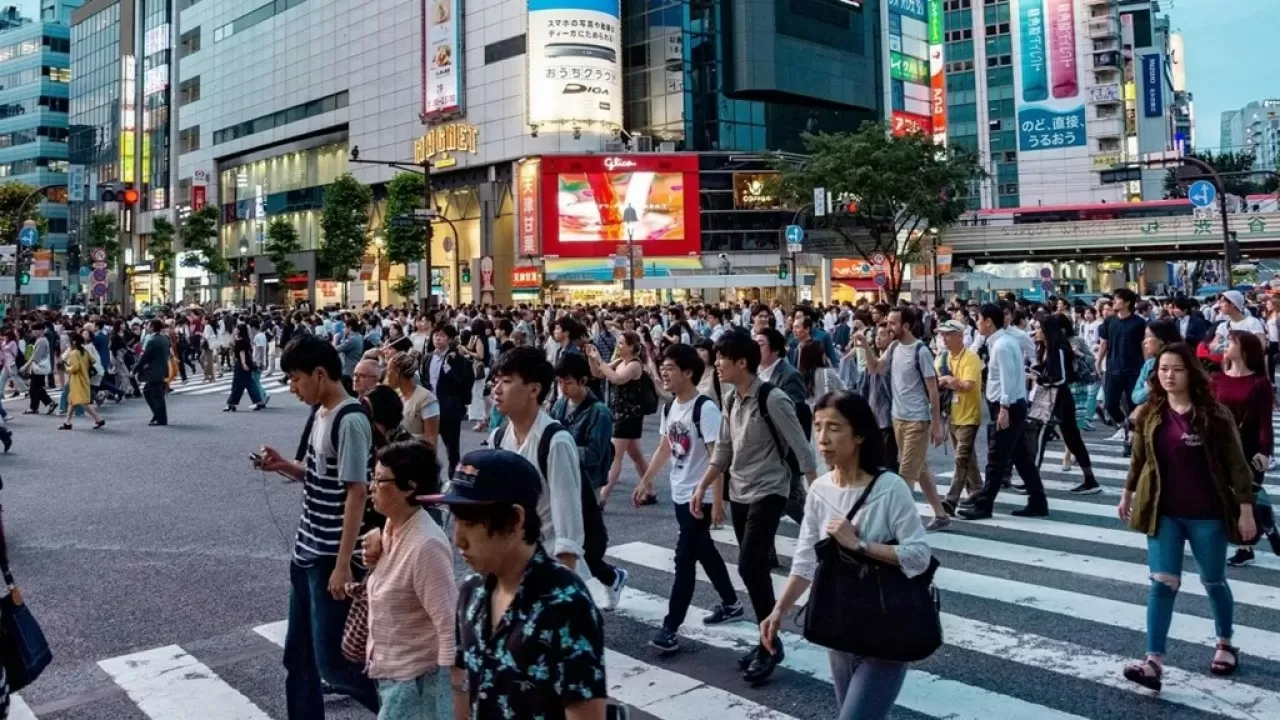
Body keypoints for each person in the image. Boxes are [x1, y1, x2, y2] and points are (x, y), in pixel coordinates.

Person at [761, 391, 929, 719]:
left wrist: (860, 545)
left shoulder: (890, 488)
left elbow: (919, 556)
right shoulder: (820, 490)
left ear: (860, 435)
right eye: (818, 427)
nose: (822, 438)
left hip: (888, 628)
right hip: (841, 624)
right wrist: (778, 611)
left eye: (834, 428)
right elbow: (805, 560)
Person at [427, 449, 608, 719]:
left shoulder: (565, 603)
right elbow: (464, 682)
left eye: (471, 524)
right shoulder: (471, 592)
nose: (458, 539)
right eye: (456, 521)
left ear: (515, 520)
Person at [1119, 342, 1255, 691]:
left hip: (1207, 513)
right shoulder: (1150, 413)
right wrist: (1127, 493)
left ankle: (1225, 643)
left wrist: (1245, 509)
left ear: (1191, 373)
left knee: (1213, 580)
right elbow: (1139, 458)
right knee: (1162, 582)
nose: (1169, 376)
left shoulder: (1214, 414)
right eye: (1163, 369)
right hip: (1163, 512)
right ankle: (1153, 662)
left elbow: (1237, 464)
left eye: (1177, 369)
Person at [256, 334, 380, 716]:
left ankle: (400, 710)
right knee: (298, 656)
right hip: (306, 551)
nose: (293, 388)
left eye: (296, 379)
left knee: (334, 664)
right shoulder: (321, 413)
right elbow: (318, 474)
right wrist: (284, 465)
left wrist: (343, 565)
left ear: (320, 374)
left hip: (329, 557)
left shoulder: (350, 419)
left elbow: (357, 492)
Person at [691, 328, 816, 684]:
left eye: (722, 358)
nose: (716, 364)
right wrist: (703, 486)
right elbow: (723, 451)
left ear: (742, 362)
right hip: (740, 491)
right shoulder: (731, 399)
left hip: (770, 489)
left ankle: (769, 644)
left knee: (750, 565)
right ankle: (767, 639)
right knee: (753, 569)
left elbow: (801, 448)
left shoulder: (772, 398)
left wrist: (818, 495)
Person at [638, 343, 743, 653]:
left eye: (669, 368)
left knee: (684, 559)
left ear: (687, 372)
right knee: (704, 551)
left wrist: (717, 502)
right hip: (680, 493)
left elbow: (717, 458)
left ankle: (670, 628)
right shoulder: (670, 407)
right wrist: (645, 480)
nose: (664, 374)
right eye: (662, 368)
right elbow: (664, 448)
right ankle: (732, 603)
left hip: (701, 497)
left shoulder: (705, 409)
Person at [361, 441, 462, 719]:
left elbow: (448, 624)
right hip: (392, 674)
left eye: (380, 479)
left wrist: (453, 694)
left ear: (409, 487)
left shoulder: (426, 545)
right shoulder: (392, 527)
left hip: (417, 683)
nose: (371, 486)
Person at [488, 346, 585, 570]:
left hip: (549, 566)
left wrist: (563, 580)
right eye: (496, 381)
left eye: (507, 381)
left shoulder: (555, 442)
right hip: (513, 564)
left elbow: (568, 526)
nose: (497, 389)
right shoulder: (498, 438)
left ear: (534, 389)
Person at [855, 306, 950, 530]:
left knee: (905, 474)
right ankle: (941, 514)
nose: (888, 327)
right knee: (921, 469)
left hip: (917, 420)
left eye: (893, 323)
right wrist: (865, 346)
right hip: (898, 418)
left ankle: (897, 525)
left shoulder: (921, 351)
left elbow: (933, 390)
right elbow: (875, 368)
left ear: (906, 325)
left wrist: (936, 424)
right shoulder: (894, 347)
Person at [550, 352, 628, 609]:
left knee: (582, 543)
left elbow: (595, 454)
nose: (563, 387)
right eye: (560, 382)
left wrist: (562, 448)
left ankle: (609, 578)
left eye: (568, 382)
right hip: (561, 478)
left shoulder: (599, 413)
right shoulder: (560, 405)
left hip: (587, 483)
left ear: (583, 381)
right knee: (565, 539)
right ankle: (606, 579)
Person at [958, 304, 1048, 520]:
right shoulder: (1002, 342)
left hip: (1006, 406)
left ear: (989, 322)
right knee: (1021, 457)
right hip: (1010, 404)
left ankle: (984, 504)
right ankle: (1038, 502)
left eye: (979, 320)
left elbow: (1008, 378)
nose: (977, 324)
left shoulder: (1002, 346)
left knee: (996, 457)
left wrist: (1004, 407)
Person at [1212, 331, 1280, 567]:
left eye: (1231, 342)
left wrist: (1265, 451)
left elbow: (1264, 422)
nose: (1226, 345)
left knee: (1247, 495)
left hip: (1250, 448)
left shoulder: (1260, 383)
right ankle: (1267, 522)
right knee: (1228, 494)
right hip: (1222, 446)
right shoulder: (1217, 379)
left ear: (1244, 350)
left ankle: (1246, 547)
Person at [587, 330, 651, 509]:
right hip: (620, 414)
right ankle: (650, 489)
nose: (618, 346)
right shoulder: (619, 361)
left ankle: (602, 496)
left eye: (622, 343)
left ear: (631, 347)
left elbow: (617, 379)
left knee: (615, 455)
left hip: (629, 416)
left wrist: (600, 360)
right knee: (636, 456)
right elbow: (598, 373)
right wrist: (592, 358)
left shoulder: (634, 365)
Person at [935, 320, 982, 515]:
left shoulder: (971, 357)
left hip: (969, 415)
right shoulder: (943, 358)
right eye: (942, 334)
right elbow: (935, 383)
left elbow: (967, 385)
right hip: (951, 415)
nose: (944, 338)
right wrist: (950, 381)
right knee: (968, 457)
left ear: (960, 336)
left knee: (961, 458)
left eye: (948, 334)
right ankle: (977, 491)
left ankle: (951, 499)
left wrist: (947, 380)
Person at [1098, 288, 1147, 457]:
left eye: (1117, 299)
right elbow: (1104, 343)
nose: (1114, 302)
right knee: (1110, 404)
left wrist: (1147, 366)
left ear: (1127, 303)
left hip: (1134, 369)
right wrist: (1098, 362)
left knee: (1133, 405)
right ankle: (1124, 425)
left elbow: (1143, 346)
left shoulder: (1139, 323)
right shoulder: (1109, 321)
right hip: (1113, 368)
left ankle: (1130, 441)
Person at [422, 325, 474, 475]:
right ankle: (431, 478)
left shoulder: (456, 359)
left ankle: (454, 478)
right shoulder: (427, 358)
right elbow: (425, 379)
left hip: (449, 409)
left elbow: (461, 381)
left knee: (452, 449)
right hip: (430, 408)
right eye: (436, 335)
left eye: (442, 336)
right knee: (427, 448)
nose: (438, 338)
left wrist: (448, 368)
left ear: (450, 339)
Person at [387, 351, 439, 448]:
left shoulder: (427, 399)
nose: (387, 375)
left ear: (397, 372)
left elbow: (431, 439)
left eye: (389, 370)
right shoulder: (397, 396)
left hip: (416, 454)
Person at [58, 332, 105, 431]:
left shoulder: (74, 353)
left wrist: (66, 367)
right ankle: (67, 422)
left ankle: (99, 419)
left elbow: (75, 368)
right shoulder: (85, 351)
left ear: (74, 342)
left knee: (82, 402)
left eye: (70, 342)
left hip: (77, 380)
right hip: (85, 378)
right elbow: (93, 361)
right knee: (72, 400)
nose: (69, 344)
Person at [136, 319, 170, 426]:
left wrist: (136, 369)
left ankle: (160, 418)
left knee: (154, 395)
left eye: (149, 325)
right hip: (162, 369)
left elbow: (145, 357)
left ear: (153, 327)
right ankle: (158, 416)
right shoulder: (165, 338)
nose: (147, 327)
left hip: (154, 371)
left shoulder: (153, 340)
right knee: (154, 394)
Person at [224, 324, 266, 412]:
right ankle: (259, 401)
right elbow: (232, 343)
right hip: (247, 363)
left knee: (237, 384)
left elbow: (241, 352)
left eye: (237, 329)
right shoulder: (246, 339)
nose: (235, 330)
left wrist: (243, 363)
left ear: (240, 330)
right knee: (249, 383)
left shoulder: (240, 341)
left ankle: (231, 403)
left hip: (241, 364)